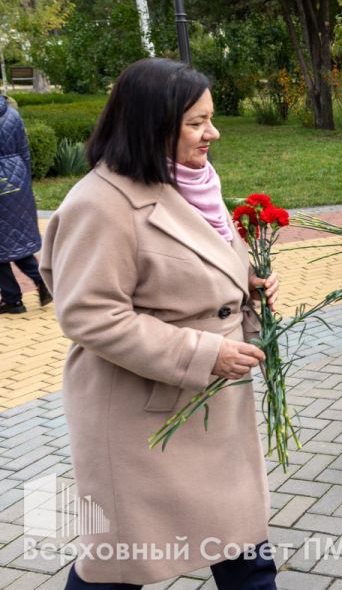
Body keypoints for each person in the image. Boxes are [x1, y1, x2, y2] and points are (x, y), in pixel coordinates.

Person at [39, 58, 279, 589]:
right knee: (120, 564)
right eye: (196, 123)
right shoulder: (101, 204)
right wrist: (203, 353)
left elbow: (200, 268)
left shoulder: (195, 184)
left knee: (244, 548)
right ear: (152, 124)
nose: (212, 133)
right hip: (140, 416)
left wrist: (246, 286)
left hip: (209, 404)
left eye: (210, 119)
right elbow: (88, 314)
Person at [0, 93, 52, 314]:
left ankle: (13, 300)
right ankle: (42, 282)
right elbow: (24, 151)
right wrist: (24, 181)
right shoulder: (12, 114)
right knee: (14, 239)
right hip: (16, 178)